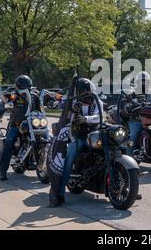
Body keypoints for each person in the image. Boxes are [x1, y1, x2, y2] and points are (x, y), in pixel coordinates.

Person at [48, 78, 103, 207]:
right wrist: (74, 111)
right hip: (79, 136)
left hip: (96, 135)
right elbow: (68, 118)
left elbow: (100, 117)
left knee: (117, 145)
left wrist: (85, 118)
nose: (90, 94)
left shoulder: (97, 102)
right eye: (87, 91)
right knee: (70, 157)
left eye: (91, 91)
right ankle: (59, 193)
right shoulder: (73, 103)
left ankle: (129, 184)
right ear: (81, 92)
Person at [0, 75, 41, 181]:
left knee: (47, 137)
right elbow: (7, 99)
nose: (26, 89)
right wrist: (6, 97)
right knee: (9, 142)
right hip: (17, 125)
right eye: (23, 87)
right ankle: (2, 171)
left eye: (28, 86)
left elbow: (40, 110)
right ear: (18, 87)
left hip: (32, 124)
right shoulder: (15, 96)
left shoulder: (35, 96)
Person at [119, 71, 151, 156]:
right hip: (136, 120)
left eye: (145, 81)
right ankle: (130, 159)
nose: (143, 84)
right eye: (141, 81)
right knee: (133, 137)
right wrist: (129, 107)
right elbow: (126, 105)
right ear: (137, 82)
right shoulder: (132, 94)